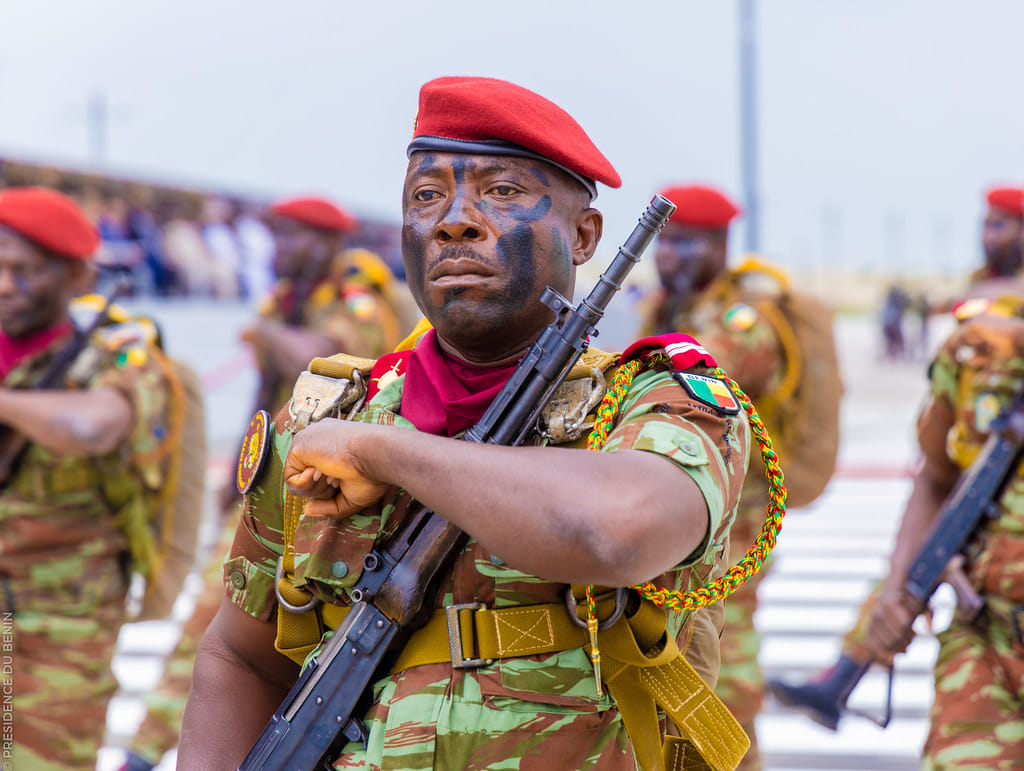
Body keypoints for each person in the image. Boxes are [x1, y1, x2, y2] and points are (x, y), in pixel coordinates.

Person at [179, 76, 753, 770]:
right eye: (427, 197)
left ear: (583, 234)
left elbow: (614, 530)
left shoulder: (663, 400)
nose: (455, 219)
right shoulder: (333, 413)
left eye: (502, 192)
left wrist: (385, 453)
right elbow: (241, 653)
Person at [124, 196, 408, 771]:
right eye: (279, 236)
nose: (283, 249)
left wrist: (265, 333)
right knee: (221, 623)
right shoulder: (285, 302)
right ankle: (143, 748)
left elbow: (323, 357)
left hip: (332, 494)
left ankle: (143, 749)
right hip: (275, 480)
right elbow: (266, 397)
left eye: (298, 237)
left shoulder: (353, 303)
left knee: (226, 619)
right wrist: (242, 473)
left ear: (329, 245)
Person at [767, 184, 1024, 730]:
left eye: (1002, 226)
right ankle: (842, 674)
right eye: (988, 224)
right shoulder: (979, 309)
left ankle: (841, 676)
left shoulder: (1001, 308)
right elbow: (934, 472)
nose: (990, 237)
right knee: (914, 573)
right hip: (988, 611)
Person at [0, 187, 182, 770]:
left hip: (57, 630)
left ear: (76, 274)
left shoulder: (118, 354)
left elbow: (90, 427)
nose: (5, 285)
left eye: (24, 271)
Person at [638, 184, 803, 770]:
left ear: (719, 244)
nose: (670, 256)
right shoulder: (668, 309)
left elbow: (694, 383)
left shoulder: (742, 321)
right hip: (683, 532)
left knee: (723, 687)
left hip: (731, 540)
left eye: (685, 243)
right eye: (666, 243)